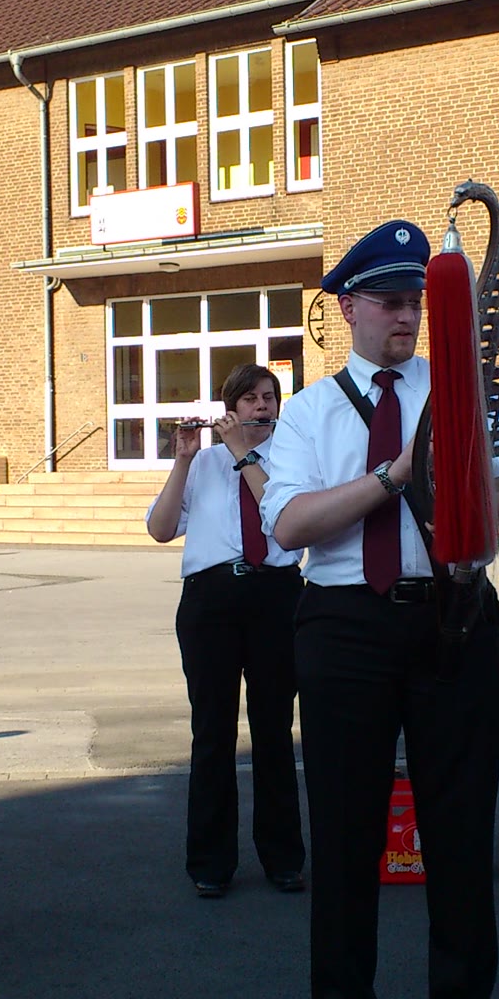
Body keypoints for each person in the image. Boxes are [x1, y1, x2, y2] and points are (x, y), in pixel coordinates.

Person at [262, 219, 499, 999]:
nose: (406, 317)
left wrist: (469, 479)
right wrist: (396, 474)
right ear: (348, 310)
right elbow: (290, 525)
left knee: (461, 834)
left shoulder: (466, 391)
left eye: (416, 303)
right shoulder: (311, 411)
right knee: (345, 836)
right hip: (345, 625)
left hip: (455, 618)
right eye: (390, 302)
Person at [145, 363, 306, 899]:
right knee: (212, 730)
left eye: (269, 397)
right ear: (230, 408)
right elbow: (161, 529)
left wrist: (242, 452)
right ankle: (211, 862)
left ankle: (282, 857)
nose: (262, 406)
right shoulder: (203, 463)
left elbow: (280, 515)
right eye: (250, 398)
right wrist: (182, 460)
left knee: (274, 728)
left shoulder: (292, 457)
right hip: (211, 599)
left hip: (275, 594)